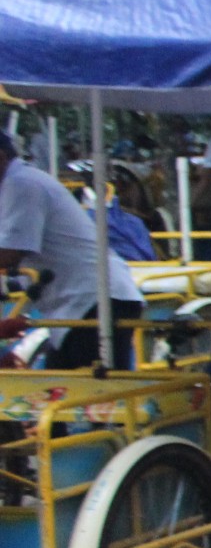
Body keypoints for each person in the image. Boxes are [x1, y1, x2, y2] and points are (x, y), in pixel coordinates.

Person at [0, 128, 144, 370]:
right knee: (60, 392)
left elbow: (10, 253)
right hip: (78, 304)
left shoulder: (22, 184)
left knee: (93, 397)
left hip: (95, 300)